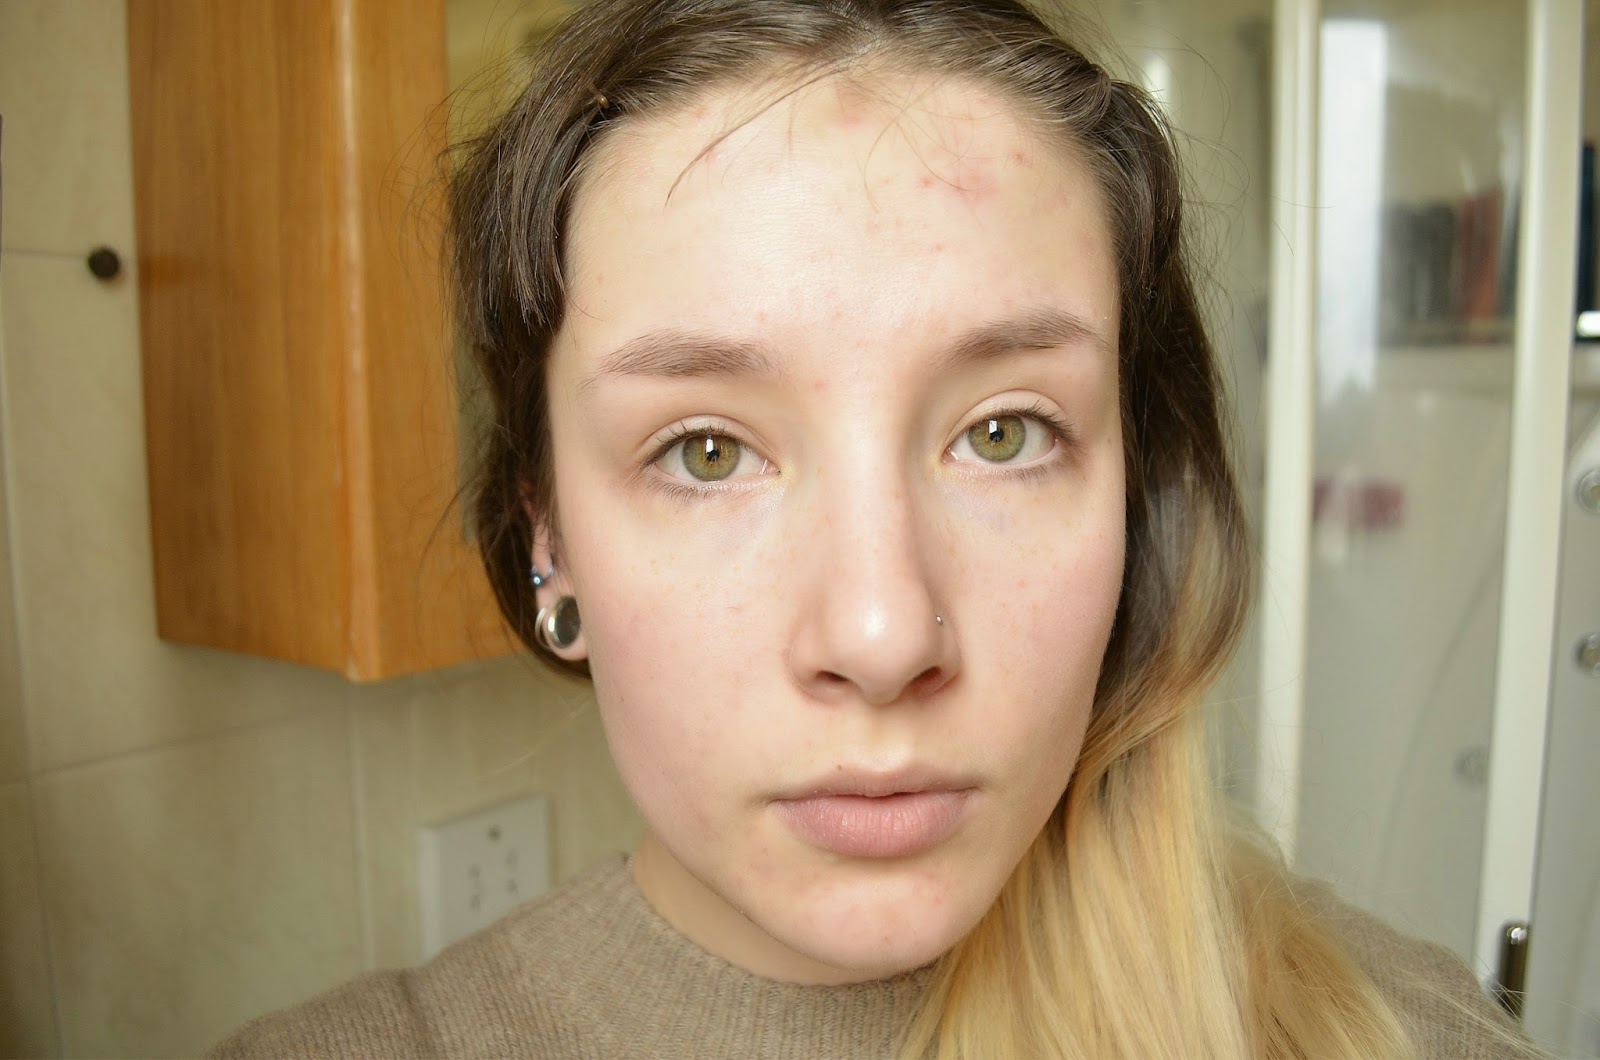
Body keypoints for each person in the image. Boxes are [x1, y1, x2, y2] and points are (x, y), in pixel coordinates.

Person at [212, 0, 1538, 1056]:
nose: (883, 634)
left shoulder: (1390, 1031)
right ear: (546, 532)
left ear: (1137, 499)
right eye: (708, 451)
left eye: (1005, 433)